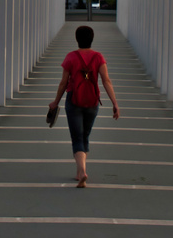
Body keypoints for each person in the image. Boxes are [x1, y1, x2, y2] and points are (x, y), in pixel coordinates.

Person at [48, 25, 120, 187]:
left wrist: (55, 102)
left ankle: (81, 172)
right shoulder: (98, 57)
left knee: (77, 138)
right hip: (92, 101)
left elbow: (63, 83)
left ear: (77, 39)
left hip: (74, 100)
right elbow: (106, 81)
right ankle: (80, 171)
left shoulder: (71, 57)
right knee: (85, 136)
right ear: (92, 39)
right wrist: (114, 103)